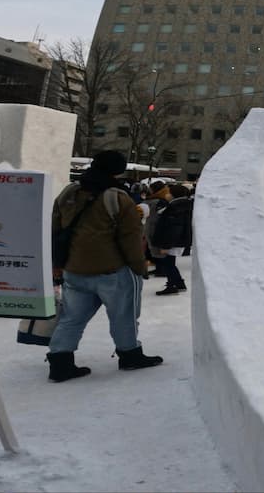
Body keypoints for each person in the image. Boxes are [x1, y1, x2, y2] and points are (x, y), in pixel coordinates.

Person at [48, 151, 163, 382]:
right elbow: (130, 238)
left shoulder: (70, 192)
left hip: (75, 269)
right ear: (118, 170)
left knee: (71, 318)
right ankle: (130, 355)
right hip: (113, 271)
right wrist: (139, 267)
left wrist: (57, 264)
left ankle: (60, 362)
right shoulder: (118, 198)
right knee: (124, 316)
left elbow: (55, 228)